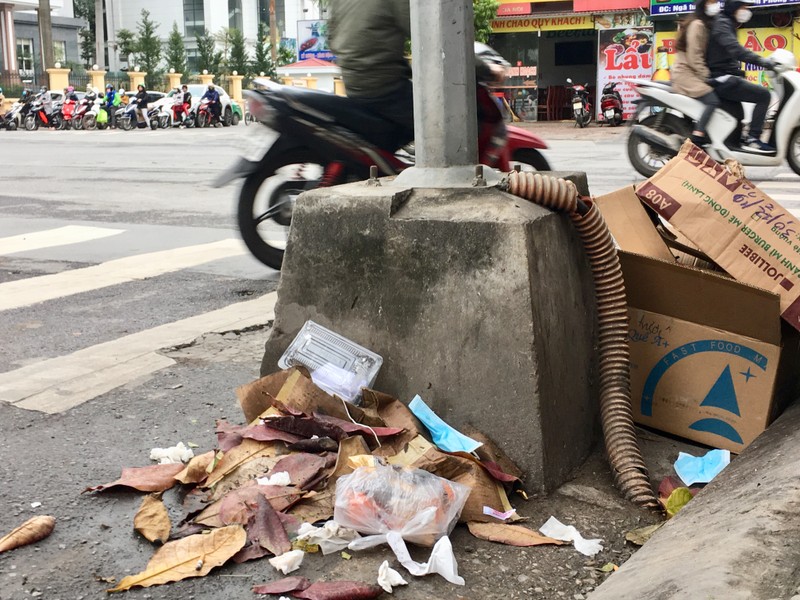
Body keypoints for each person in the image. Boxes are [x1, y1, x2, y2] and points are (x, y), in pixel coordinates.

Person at [328, 0, 414, 151]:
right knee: (439, 121)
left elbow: (331, 36)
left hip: (352, 81)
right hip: (385, 84)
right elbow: (420, 31)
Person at [706, 0, 778, 153]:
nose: (746, 10)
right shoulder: (723, 24)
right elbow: (735, 50)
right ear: (734, 7)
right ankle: (753, 138)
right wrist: (762, 61)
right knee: (763, 95)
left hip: (725, 75)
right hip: (721, 78)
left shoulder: (727, 23)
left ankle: (734, 145)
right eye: (743, 7)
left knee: (739, 115)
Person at [670, 0, 720, 146]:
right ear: (703, 4)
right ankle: (698, 136)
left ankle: (690, 133)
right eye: (712, 1)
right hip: (686, 73)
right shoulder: (697, 25)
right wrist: (706, 75)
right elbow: (694, 55)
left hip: (688, 72)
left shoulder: (699, 23)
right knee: (712, 100)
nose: (715, 4)